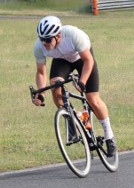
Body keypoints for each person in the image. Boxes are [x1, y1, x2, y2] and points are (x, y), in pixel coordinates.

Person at [32, 16, 116, 156]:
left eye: (48, 39)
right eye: (42, 39)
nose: (44, 42)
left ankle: (109, 136)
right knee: (55, 88)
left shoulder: (73, 35)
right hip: (62, 61)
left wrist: (82, 82)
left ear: (58, 36)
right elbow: (41, 73)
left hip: (82, 59)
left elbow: (88, 61)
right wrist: (41, 93)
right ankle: (73, 118)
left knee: (92, 99)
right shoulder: (39, 47)